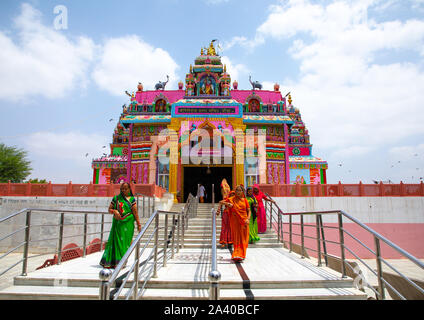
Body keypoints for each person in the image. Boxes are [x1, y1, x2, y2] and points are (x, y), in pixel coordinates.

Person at [100, 182, 142, 269]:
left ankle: (123, 260)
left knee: (126, 242)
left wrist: (138, 224)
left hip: (128, 223)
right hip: (118, 223)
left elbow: (135, 212)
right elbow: (109, 209)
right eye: (122, 189)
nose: (124, 190)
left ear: (129, 189)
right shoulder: (116, 198)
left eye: (125, 189)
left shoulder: (132, 200)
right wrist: (114, 211)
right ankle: (115, 261)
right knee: (117, 242)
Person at [220, 185, 251, 262]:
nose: (238, 192)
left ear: (242, 192)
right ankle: (236, 254)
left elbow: (249, 210)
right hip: (235, 221)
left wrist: (248, 219)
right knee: (237, 237)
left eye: (239, 190)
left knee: (244, 238)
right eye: (237, 190)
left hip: (244, 221)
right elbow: (221, 202)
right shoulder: (231, 199)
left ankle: (242, 254)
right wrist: (228, 204)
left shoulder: (245, 200)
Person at [216, 179, 232, 248]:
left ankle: (230, 241)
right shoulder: (227, 198)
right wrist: (218, 210)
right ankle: (224, 241)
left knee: (231, 228)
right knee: (225, 228)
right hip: (226, 213)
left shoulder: (232, 196)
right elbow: (220, 202)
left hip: (232, 214)